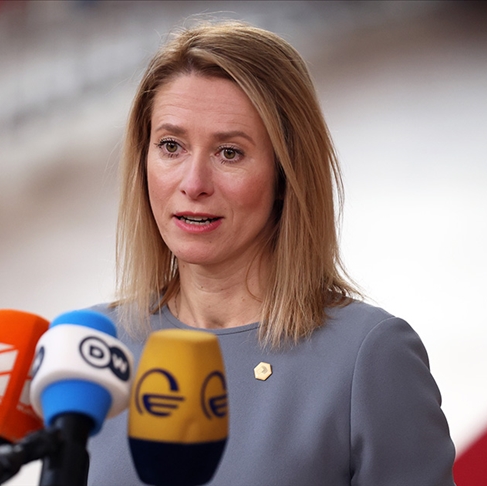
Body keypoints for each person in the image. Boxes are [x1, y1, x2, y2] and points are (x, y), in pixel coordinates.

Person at [86, 20, 456, 485]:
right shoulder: (92, 350)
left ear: (286, 173)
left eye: (229, 153)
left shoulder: (368, 357)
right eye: (171, 146)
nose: (193, 183)